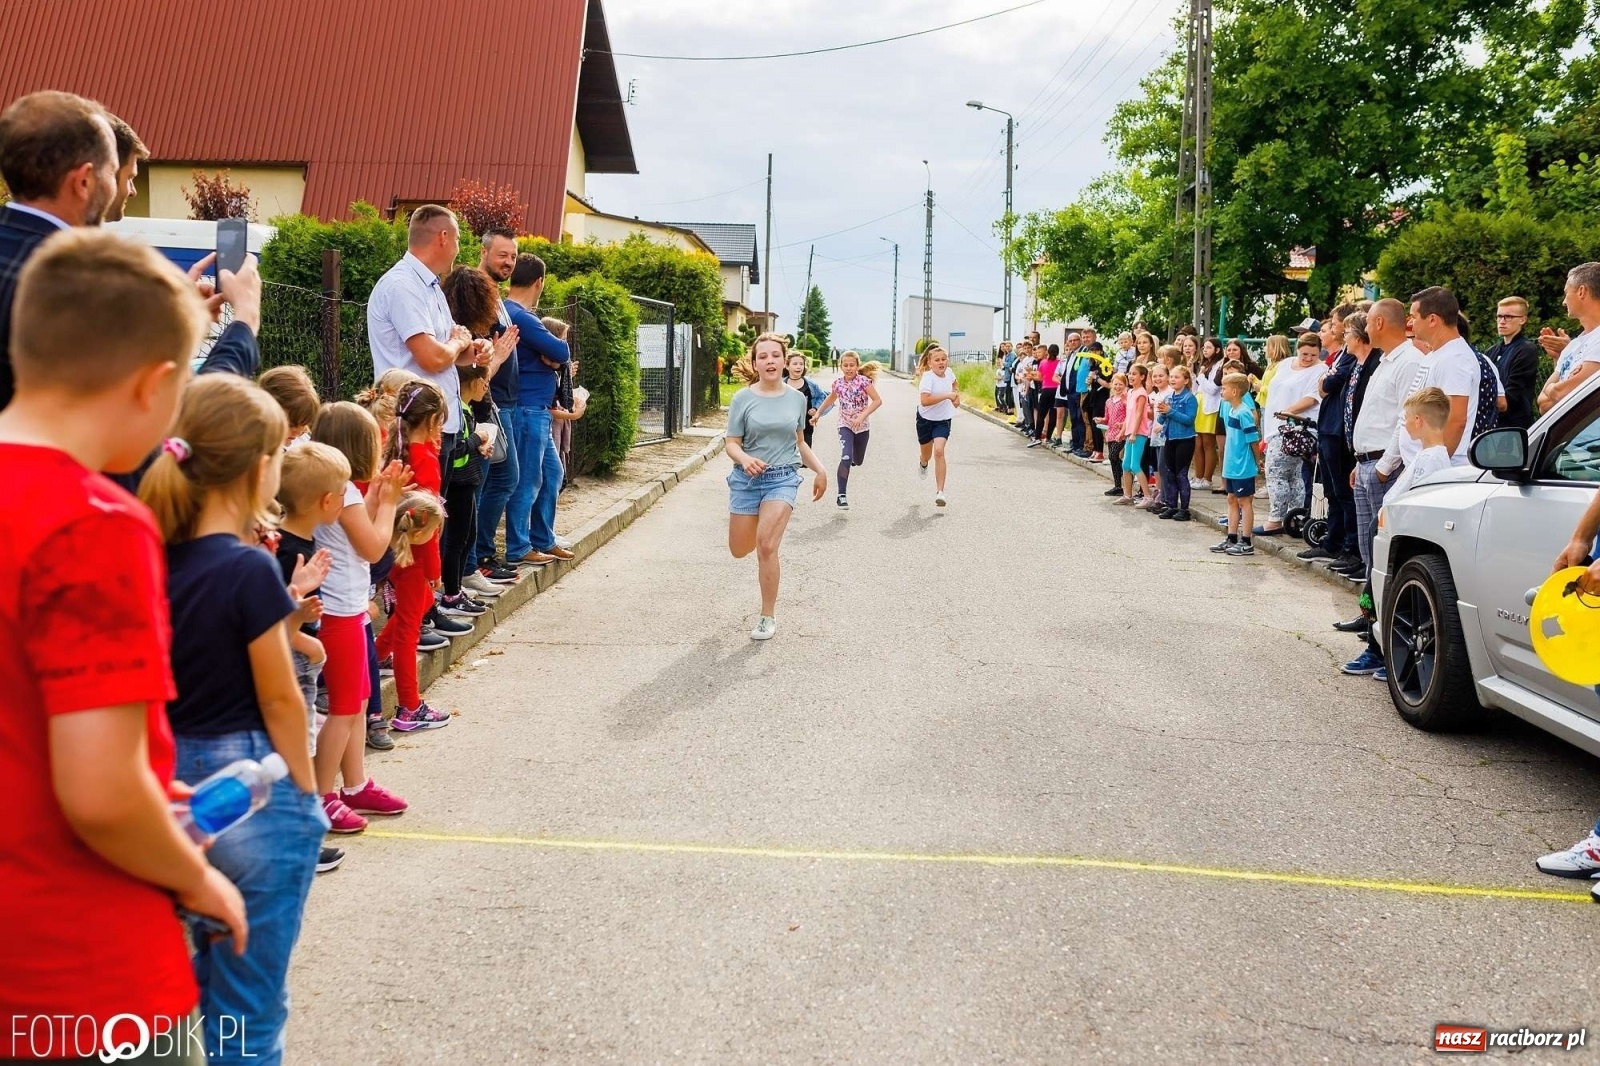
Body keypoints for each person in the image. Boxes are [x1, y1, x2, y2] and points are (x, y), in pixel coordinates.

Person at [0, 229, 246, 1065]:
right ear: (156, 385)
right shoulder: (91, 525)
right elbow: (100, 793)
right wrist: (193, 874)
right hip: (78, 973)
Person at [139, 375, 324, 1066]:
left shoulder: (146, 559)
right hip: (252, 785)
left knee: (183, 996)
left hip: (169, 789)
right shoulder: (249, 571)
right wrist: (306, 797)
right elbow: (280, 696)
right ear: (258, 467)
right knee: (248, 1008)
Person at [307, 402, 409, 832]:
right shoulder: (342, 491)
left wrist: (371, 496)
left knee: (360, 698)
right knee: (346, 707)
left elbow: (353, 530)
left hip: (350, 611)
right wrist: (388, 504)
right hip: (339, 614)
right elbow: (372, 547)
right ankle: (323, 795)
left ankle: (355, 784)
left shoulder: (344, 490)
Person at [273, 440, 348, 873]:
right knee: (297, 749)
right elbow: (274, 616)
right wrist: (306, 641)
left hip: (301, 659)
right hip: (291, 662)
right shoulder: (287, 552)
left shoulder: (293, 541)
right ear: (326, 501)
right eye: (341, 491)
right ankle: (298, 845)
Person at [724, 333, 828, 640]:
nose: (769, 360)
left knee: (767, 545)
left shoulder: (797, 398)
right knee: (739, 549)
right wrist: (743, 459)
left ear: (785, 360)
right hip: (746, 480)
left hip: (782, 477)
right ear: (755, 363)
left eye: (775, 355)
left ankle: (767, 616)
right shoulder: (743, 398)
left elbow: (799, 442)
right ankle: (757, 529)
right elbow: (731, 442)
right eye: (763, 356)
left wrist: (820, 469)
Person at [375, 379, 462, 730]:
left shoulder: (396, 448)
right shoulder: (424, 459)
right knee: (411, 626)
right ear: (432, 422)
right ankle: (409, 707)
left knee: (415, 608)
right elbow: (425, 523)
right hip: (412, 553)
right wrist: (434, 568)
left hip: (396, 548)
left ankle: (375, 656)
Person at [440, 264, 516, 603]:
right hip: (467, 428)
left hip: (473, 425)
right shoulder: (459, 337)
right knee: (462, 511)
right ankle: (462, 576)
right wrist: (495, 357)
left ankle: (467, 571)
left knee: (469, 507)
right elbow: (473, 383)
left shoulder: (457, 334)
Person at [502, 253, 572, 569]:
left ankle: (543, 539)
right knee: (528, 479)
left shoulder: (511, 312)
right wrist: (556, 357)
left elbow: (557, 356)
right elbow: (562, 350)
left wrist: (555, 359)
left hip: (536, 410)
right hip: (529, 410)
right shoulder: (523, 316)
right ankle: (519, 546)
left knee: (551, 473)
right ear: (539, 282)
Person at [469, 228, 523, 584]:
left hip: (500, 400)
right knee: (487, 482)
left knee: (501, 478)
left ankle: (482, 553)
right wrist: (499, 357)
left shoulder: (496, 297)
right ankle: (475, 559)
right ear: (485, 252)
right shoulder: (475, 296)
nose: (509, 262)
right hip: (485, 400)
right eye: (503, 255)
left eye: (514, 257)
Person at [378, 490, 450, 732]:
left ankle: (377, 654)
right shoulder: (422, 536)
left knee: (420, 609)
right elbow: (430, 550)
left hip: (406, 574)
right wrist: (435, 574)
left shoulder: (396, 529)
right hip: (415, 576)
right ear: (419, 533)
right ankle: (409, 707)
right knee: (407, 640)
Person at [1257, 332, 1326, 536]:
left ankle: (1276, 518)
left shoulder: (1321, 369)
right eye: (1304, 354)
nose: (1308, 359)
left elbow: (1313, 397)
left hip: (1295, 428)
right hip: (1274, 425)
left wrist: (1290, 411)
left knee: (1276, 472)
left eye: (1313, 355)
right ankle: (1293, 516)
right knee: (1292, 475)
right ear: (1297, 350)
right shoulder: (1286, 364)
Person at [1306, 317, 1360, 569]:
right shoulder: (1339, 357)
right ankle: (1334, 540)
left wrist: (1325, 381)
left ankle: (1349, 545)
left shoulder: (1348, 357)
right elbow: (1324, 385)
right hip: (1328, 426)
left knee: (1342, 491)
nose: (1326, 331)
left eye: (1334, 326)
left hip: (1338, 430)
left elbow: (1328, 384)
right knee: (1331, 490)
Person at [811, 350, 883, 508]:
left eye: (852, 365)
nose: (849, 368)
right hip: (845, 425)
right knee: (846, 457)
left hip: (862, 427)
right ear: (841, 366)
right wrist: (818, 413)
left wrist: (862, 416)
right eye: (845, 365)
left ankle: (853, 460)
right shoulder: (838, 383)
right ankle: (841, 495)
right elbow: (831, 398)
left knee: (858, 460)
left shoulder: (864, 382)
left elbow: (877, 401)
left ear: (857, 366)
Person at [1537, 263, 1600, 415]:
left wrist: (1556, 388)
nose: (1564, 301)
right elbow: (1542, 404)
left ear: (1581, 291)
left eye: (1566, 293)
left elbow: (1560, 393)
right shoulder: (1573, 345)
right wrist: (1564, 385)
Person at [1212, 373, 1262, 556]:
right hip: (1231, 465)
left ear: (1234, 391)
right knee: (1231, 499)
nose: (1221, 391)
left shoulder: (1244, 413)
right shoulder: (1231, 410)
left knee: (1244, 501)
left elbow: (1253, 441)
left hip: (1243, 466)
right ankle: (1231, 537)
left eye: (1224, 388)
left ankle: (1246, 541)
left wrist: (1257, 461)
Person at [1387, 387, 1453, 496]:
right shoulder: (1429, 456)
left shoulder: (1429, 460)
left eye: (1406, 418)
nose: (1405, 423)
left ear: (1417, 421)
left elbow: (1417, 500)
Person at [1486, 296, 1539, 430]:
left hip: (1514, 426)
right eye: (1499, 316)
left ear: (1522, 319)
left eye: (1508, 317)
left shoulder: (1527, 350)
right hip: (1491, 423)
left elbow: (1514, 393)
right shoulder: (1491, 352)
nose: (1502, 321)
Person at [917, 343, 960, 506]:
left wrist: (956, 396)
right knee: (926, 455)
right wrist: (947, 395)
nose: (941, 362)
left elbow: (955, 384)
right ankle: (923, 462)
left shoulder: (949, 372)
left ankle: (940, 492)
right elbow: (925, 401)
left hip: (943, 419)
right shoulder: (928, 377)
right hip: (925, 420)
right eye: (937, 360)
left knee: (940, 452)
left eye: (943, 359)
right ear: (930, 363)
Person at [1154, 364, 1198, 521]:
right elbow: (1161, 419)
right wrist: (1162, 412)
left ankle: (1184, 509)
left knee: (1181, 474)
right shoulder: (1169, 397)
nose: (1173, 379)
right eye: (1171, 376)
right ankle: (1171, 505)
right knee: (1170, 473)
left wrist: (1170, 411)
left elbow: (1189, 420)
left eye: (1176, 377)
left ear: (1186, 380)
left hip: (1185, 440)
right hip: (1170, 438)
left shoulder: (1189, 398)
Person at [1139, 363, 1172, 510]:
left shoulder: (1169, 393)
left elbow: (1170, 416)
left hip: (1166, 435)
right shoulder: (1157, 394)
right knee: (1158, 466)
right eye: (1155, 376)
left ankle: (1165, 497)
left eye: (1161, 375)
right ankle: (1161, 494)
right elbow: (1154, 417)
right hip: (1156, 435)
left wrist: (1163, 427)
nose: (1157, 379)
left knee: (1163, 467)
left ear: (1168, 377)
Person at [1192, 337, 1224, 488]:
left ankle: (1207, 478)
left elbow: (1212, 388)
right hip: (1199, 404)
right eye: (1204, 347)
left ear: (1217, 350)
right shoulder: (1205, 364)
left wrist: (1201, 377)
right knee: (1198, 442)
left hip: (1210, 406)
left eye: (1209, 347)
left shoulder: (1220, 364)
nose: (1205, 350)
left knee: (1208, 443)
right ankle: (1198, 477)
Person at [1119, 363, 1152, 504]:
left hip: (1139, 433)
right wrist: (1123, 431)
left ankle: (1147, 497)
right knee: (1125, 465)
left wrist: (1133, 433)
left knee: (1135, 465)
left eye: (1134, 374)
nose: (1130, 376)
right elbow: (1129, 415)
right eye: (1130, 373)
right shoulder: (1131, 392)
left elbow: (1139, 415)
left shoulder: (1141, 393)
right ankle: (1128, 496)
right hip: (1130, 433)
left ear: (1142, 377)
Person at [786, 351, 827, 448]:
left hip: (806, 426)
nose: (798, 366)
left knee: (805, 456)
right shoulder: (781, 384)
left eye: (801, 364)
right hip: (786, 427)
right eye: (795, 364)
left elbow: (821, 396)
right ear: (787, 366)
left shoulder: (810, 384)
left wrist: (816, 408)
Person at [1098, 372, 1129, 497]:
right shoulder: (1109, 401)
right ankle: (1117, 485)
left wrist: (1122, 425)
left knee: (1113, 455)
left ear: (1125, 385)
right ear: (1111, 385)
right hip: (1111, 433)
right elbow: (1107, 417)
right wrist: (1101, 420)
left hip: (1122, 433)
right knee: (1113, 459)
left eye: (1120, 384)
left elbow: (1129, 416)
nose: (1117, 387)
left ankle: (1127, 476)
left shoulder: (1125, 400)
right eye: (1115, 384)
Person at [1030, 342, 1061, 446]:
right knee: (1053, 414)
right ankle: (1048, 437)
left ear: (1048, 352)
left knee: (1041, 414)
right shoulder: (1060, 362)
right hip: (1056, 390)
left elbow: (1039, 377)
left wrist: (1032, 376)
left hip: (1045, 389)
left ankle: (1037, 436)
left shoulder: (1043, 362)